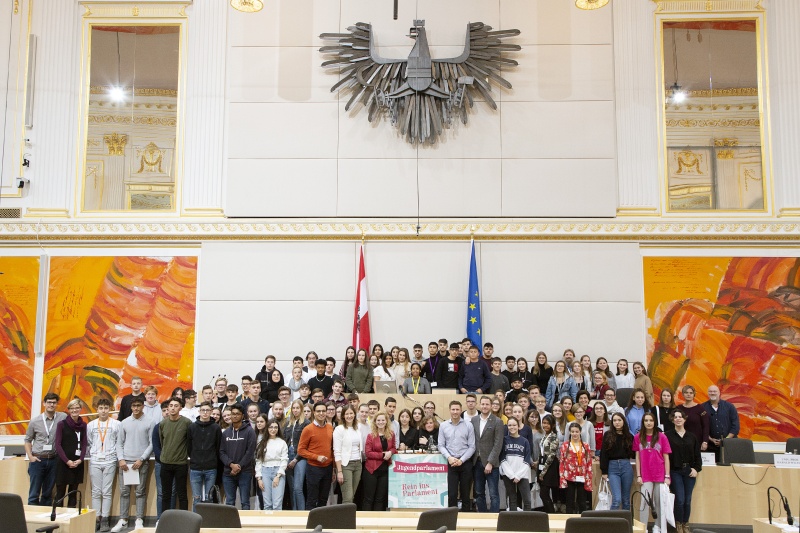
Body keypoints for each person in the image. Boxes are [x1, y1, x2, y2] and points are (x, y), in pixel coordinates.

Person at [111, 397, 152, 532]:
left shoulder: (150, 421)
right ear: (130, 407)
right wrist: (121, 459)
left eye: (138, 405)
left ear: (143, 406)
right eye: (133, 406)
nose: (136, 408)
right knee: (124, 492)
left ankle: (139, 519)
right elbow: (119, 443)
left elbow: (152, 443)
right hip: (125, 463)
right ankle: (123, 519)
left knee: (140, 492)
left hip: (141, 463)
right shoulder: (124, 422)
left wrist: (142, 459)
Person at [24, 393, 67, 506]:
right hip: (38, 459)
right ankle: (32, 516)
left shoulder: (62, 417)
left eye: (54, 402)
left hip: (53, 460)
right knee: (34, 493)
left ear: (57, 404)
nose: (51, 405)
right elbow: (27, 440)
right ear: (44, 403)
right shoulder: (35, 421)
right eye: (49, 402)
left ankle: (45, 516)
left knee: (48, 494)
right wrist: (30, 457)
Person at [665, 408, 702, 533]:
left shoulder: (692, 437)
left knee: (687, 500)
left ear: (684, 419)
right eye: (675, 417)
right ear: (672, 420)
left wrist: (696, 469)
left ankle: (686, 523)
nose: (678, 419)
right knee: (679, 500)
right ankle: (678, 523)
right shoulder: (667, 436)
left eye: (680, 417)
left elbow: (697, 456)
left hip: (689, 471)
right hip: (675, 471)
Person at [634, 413, 671, 533]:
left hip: (660, 474)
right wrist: (639, 475)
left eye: (651, 420)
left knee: (659, 502)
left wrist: (667, 476)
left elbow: (666, 458)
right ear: (643, 422)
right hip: (645, 475)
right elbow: (637, 458)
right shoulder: (638, 437)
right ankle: (643, 527)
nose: (648, 423)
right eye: (646, 420)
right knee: (644, 502)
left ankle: (657, 526)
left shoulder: (662, 437)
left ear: (655, 422)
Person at [87, 398, 120, 532]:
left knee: (106, 491)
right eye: (101, 408)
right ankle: (97, 518)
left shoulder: (116, 424)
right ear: (97, 409)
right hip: (95, 460)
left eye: (106, 408)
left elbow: (118, 441)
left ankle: (105, 518)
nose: (103, 411)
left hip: (110, 460)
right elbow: (90, 441)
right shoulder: (91, 425)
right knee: (96, 491)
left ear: (110, 409)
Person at [438, 400, 476, 511]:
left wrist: (461, 460)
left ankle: (465, 517)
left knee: (465, 494)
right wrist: (449, 458)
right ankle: (452, 517)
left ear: (461, 410)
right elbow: (441, 445)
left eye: (457, 409)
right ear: (449, 410)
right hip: (451, 463)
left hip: (465, 463)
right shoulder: (443, 426)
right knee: (452, 493)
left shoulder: (468, 425)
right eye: (453, 409)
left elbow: (472, 446)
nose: (455, 412)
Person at [298, 401, 335, 509]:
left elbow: (332, 449)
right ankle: (309, 520)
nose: (321, 413)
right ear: (314, 412)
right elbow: (300, 450)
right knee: (312, 499)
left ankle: (321, 519)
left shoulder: (330, 428)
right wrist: (316, 457)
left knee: (323, 499)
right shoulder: (308, 429)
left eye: (323, 411)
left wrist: (333, 469)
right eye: (318, 411)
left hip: (328, 468)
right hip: (313, 468)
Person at [219, 403, 257, 509]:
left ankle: (245, 521)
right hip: (228, 472)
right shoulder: (225, 433)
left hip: (245, 472)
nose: (235, 416)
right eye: (233, 414)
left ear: (242, 416)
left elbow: (250, 452)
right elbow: (221, 452)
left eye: (237, 414)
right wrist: (231, 465)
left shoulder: (249, 431)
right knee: (229, 502)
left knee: (245, 502)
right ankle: (230, 521)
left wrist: (238, 466)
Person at [471, 395, 504, 513]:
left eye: (487, 404)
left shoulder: (497, 421)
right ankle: (482, 516)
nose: (484, 406)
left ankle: (494, 518)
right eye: (483, 404)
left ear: (491, 406)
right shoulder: (474, 420)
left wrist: (490, 462)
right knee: (479, 493)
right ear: (479, 405)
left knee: (493, 493)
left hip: (491, 464)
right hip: (477, 462)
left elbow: (498, 444)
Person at [187, 401, 221, 511]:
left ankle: (208, 519)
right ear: (199, 411)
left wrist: (212, 459)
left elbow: (218, 446)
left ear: (211, 412)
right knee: (196, 498)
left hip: (210, 467)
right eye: (203, 410)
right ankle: (196, 519)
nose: (205, 412)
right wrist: (194, 457)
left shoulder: (216, 428)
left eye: (207, 410)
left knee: (209, 497)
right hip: (195, 467)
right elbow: (189, 447)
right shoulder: (192, 427)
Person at [54, 399, 88, 509]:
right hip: (64, 463)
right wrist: (67, 461)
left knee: (73, 492)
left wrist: (81, 459)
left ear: (80, 409)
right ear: (68, 410)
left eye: (77, 408)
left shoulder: (83, 425)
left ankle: (72, 515)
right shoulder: (61, 424)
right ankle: (58, 515)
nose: (74, 410)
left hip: (77, 463)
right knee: (60, 492)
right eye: (72, 408)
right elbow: (58, 444)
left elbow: (84, 443)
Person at [159, 397, 191, 511]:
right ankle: (165, 518)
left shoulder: (187, 423)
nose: (173, 408)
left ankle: (184, 518)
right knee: (166, 494)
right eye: (171, 405)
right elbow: (162, 441)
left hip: (180, 463)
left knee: (182, 493)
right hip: (165, 462)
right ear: (168, 407)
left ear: (180, 408)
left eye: (176, 406)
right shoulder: (163, 423)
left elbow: (190, 441)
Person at [600, 412, 634, 511]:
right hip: (613, 467)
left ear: (624, 421)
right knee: (617, 499)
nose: (617, 422)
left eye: (619, 420)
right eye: (614, 420)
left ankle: (626, 520)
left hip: (626, 466)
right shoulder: (608, 435)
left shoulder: (629, 436)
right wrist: (604, 471)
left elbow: (633, 454)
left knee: (626, 500)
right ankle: (612, 520)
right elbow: (603, 453)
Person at [362, 411, 396, 511]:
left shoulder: (391, 434)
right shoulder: (371, 435)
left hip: (385, 470)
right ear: (375, 422)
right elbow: (368, 453)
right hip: (371, 470)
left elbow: (394, 448)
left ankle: (378, 519)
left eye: (383, 420)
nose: (381, 422)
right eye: (378, 420)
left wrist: (390, 452)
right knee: (369, 499)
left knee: (380, 499)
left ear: (386, 421)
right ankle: (366, 520)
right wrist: (383, 455)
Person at [255, 416, 289, 510]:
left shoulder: (282, 442)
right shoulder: (262, 443)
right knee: (267, 504)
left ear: (278, 429)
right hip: (265, 472)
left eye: (275, 427)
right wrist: (259, 478)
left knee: (277, 504)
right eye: (271, 427)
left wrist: (278, 476)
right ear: (267, 428)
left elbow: (284, 460)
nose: (273, 429)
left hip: (278, 472)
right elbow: (258, 461)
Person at [499, 417, 533, 511]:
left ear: (518, 426)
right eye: (509, 425)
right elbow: (502, 459)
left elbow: (527, 460)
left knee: (527, 500)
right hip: (508, 474)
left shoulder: (525, 441)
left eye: (514, 425)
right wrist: (511, 475)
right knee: (512, 500)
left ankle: (527, 519)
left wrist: (518, 475)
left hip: (522, 474)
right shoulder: (504, 440)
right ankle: (513, 519)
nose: (512, 427)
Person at [559, 422, 593, 514]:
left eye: (576, 432)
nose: (574, 434)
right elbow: (562, 462)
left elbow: (589, 462)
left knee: (582, 501)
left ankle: (582, 520)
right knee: (569, 501)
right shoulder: (565, 446)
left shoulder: (586, 446)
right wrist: (562, 477)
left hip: (582, 476)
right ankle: (569, 519)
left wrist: (588, 477)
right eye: (572, 431)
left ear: (580, 432)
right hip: (569, 476)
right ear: (570, 432)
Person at [333, 405, 363, 504]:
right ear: (343, 416)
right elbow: (337, 451)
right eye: (347, 414)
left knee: (352, 496)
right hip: (346, 465)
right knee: (348, 497)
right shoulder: (339, 429)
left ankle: (347, 513)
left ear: (354, 414)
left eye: (351, 413)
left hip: (358, 464)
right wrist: (339, 471)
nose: (349, 416)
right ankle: (345, 515)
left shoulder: (358, 428)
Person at [703, 385, 740, 462]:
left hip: (729, 445)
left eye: (715, 391)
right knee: (712, 468)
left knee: (729, 467)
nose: (712, 393)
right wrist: (710, 439)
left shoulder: (729, 407)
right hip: (710, 446)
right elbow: (701, 427)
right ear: (708, 393)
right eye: (710, 391)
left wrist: (725, 440)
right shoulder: (702, 407)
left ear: (719, 393)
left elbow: (735, 426)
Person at [285, 399, 310, 510]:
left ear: (301, 409)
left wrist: (296, 459)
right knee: (291, 489)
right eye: (293, 408)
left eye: (297, 408)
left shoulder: (306, 423)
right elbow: (285, 441)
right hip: (288, 455)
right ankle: (294, 512)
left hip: (300, 457)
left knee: (297, 488)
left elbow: (306, 444)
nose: (295, 410)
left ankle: (302, 513)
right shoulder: (288, 423)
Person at [537, 414, 560, 514]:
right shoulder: (545, 436)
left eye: (547, 423)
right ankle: (548, 513)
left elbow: (551, 456)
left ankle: (551, 514)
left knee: (544, 493)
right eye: (544, 423)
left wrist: (543, 472)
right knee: (543, 493)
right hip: (542, 463)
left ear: (553, 425)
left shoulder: (553, 437)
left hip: (550, 466)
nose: (545, 425)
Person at [679, 385, 709, 452]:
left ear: (694, 394)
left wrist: (705, 441)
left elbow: (706, 426)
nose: (688, 394)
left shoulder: (700, 408)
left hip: (697, 442)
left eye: (691, 393)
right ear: (683, 394)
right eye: (686, 392)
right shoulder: (679, 408)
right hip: (682, 441)